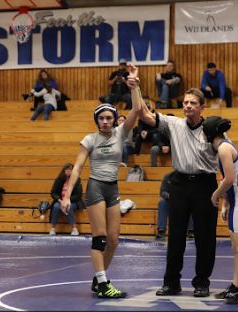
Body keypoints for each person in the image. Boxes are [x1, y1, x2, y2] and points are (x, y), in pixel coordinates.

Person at [128, 69, 219, 298]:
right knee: (176, 235)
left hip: (205, 185)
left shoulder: (212, 129)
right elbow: (145, 115)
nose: (188, 106)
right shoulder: (173, 124)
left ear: (202, 107)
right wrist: (135, 88)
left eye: (193, 103)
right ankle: (171, 282)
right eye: (186, 102)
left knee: (205, 237)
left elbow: (228, 154)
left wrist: (224, 190)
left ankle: (202, 282)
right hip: (179, 183)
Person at [60, 63, 140, 299]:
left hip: (112, 187)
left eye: (109, 118)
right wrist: (66, 196)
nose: (105, 122)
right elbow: (77, 168)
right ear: (97, 120)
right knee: (101, 237)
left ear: (115, 120)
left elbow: (136, 111)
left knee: (114, 240)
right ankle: (104, 284)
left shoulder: (121, 133)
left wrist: (134, 85)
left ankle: (99, 278)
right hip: (95, 187)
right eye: (101, 118)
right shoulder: (90, 139)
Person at [203, 116, 238, 304]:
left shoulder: (224, 148)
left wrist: (216, 195)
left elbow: (230, 179)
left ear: (209, 134)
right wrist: (226, 204)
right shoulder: (223, 147)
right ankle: (236, 286)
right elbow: (231, 179)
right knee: (236, 248)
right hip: (236, 201)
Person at [156, 172, 194, 240]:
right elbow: (162, 192)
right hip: (171, 201)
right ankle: (161, 230)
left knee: (192, 203)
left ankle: (191, 231)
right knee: (162, 202)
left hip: (185, 202)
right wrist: (171, 196)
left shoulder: (189, 178)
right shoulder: (167, 176)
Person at [49, 163, 84, 236]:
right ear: (64, 170)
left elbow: (78, 195)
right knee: (55, 206)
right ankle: (52, 228)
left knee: (69, 207)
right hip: (60, 201)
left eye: (70, 169)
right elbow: (53, 193)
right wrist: (60, 201)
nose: (69, 171)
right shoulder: (59, 180)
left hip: (73, 201)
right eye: (67, 169)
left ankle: (74, 228)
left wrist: (67, 201)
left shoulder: (77, 180)